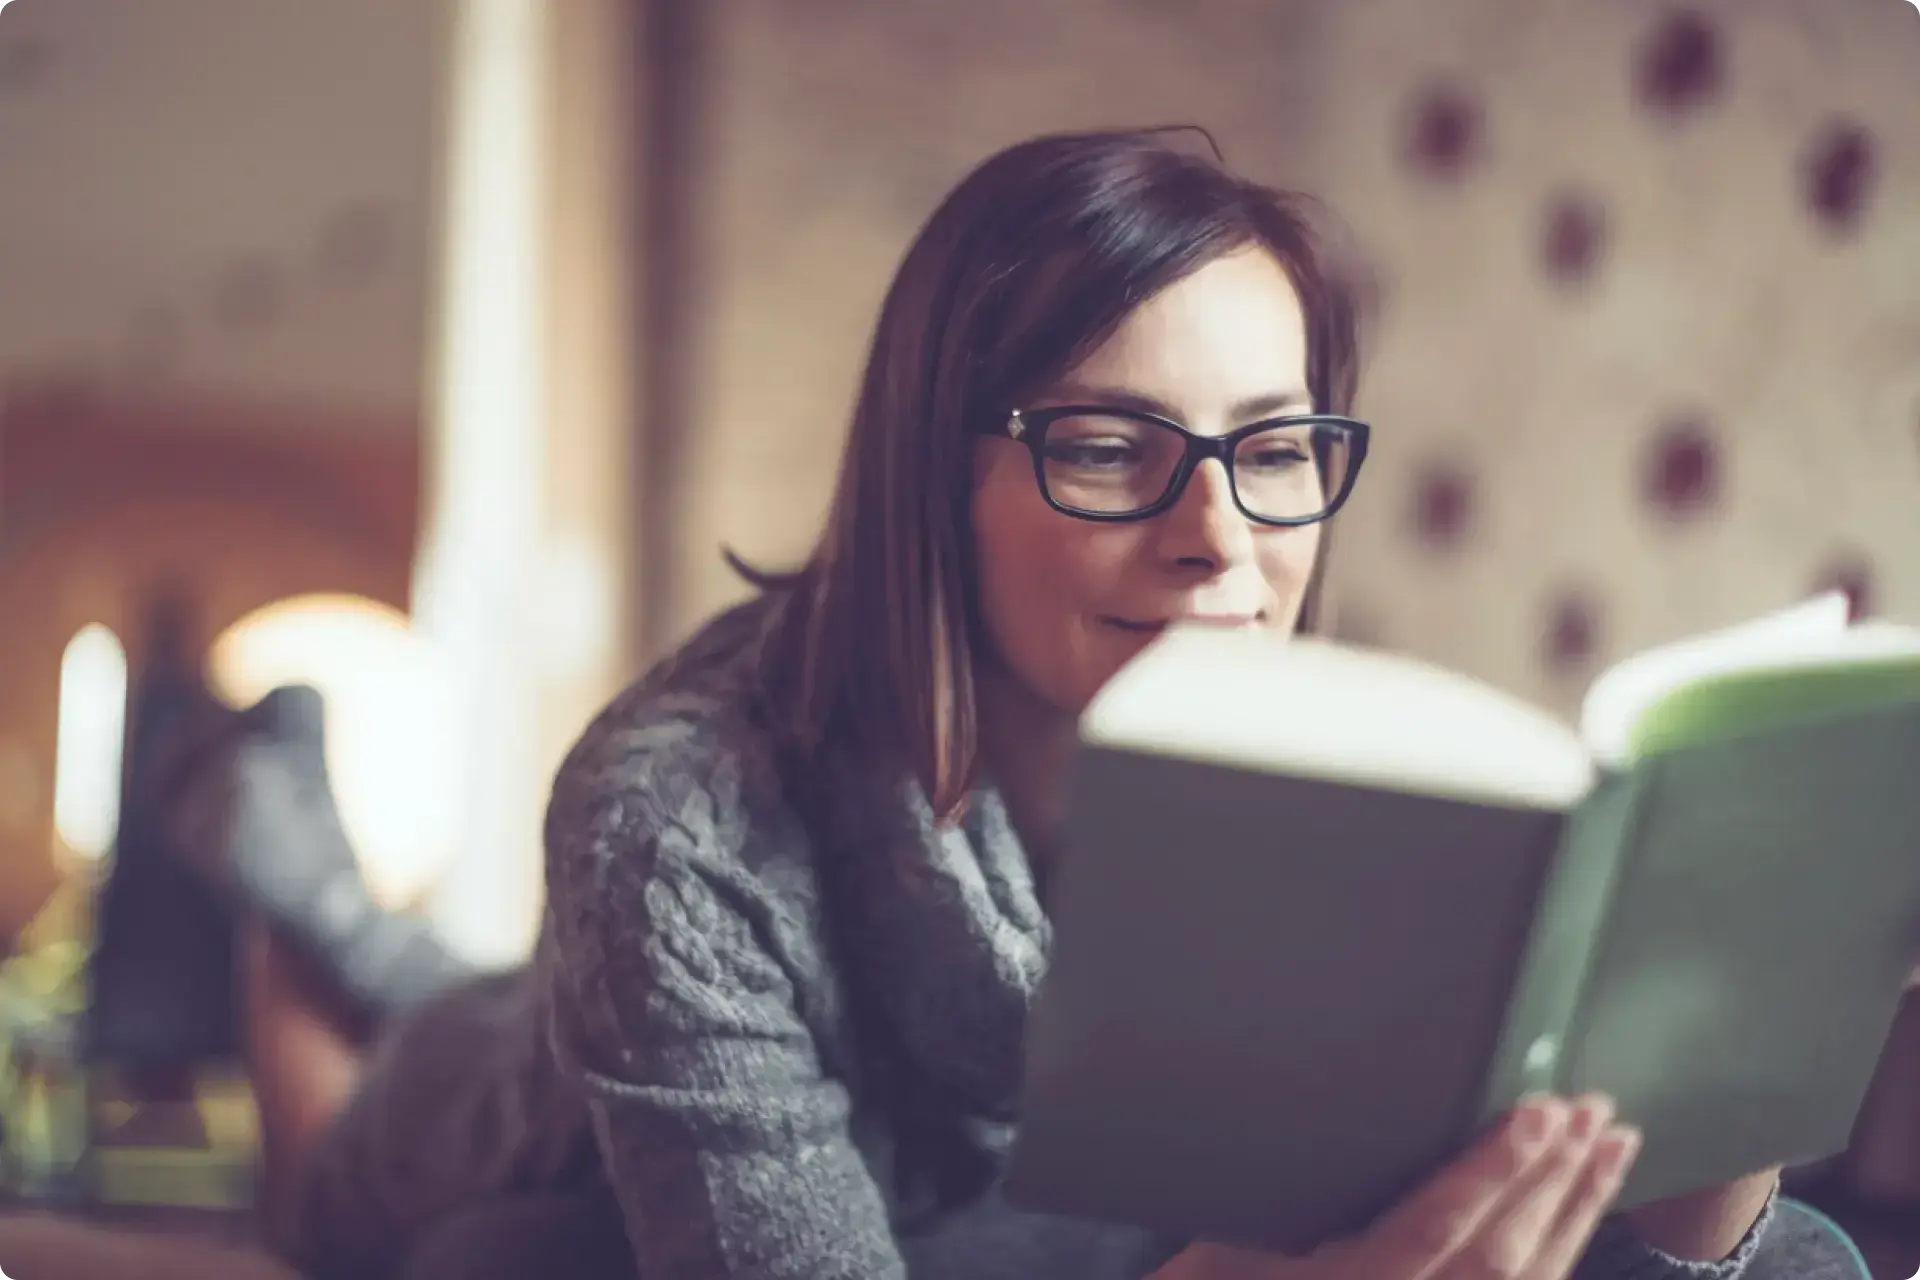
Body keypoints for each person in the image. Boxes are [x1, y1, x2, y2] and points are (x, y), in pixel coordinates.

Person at [0, 127, 1856, 1280]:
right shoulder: (677, 816)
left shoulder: (1371, 808)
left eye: (1274, 448)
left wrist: (1720, 1132)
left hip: (682, 1028)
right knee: (403, 1136)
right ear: (928, 480)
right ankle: (272, 830)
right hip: (500, 1109)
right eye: (1117, 446)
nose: (1223, 537)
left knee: (487, 1000)